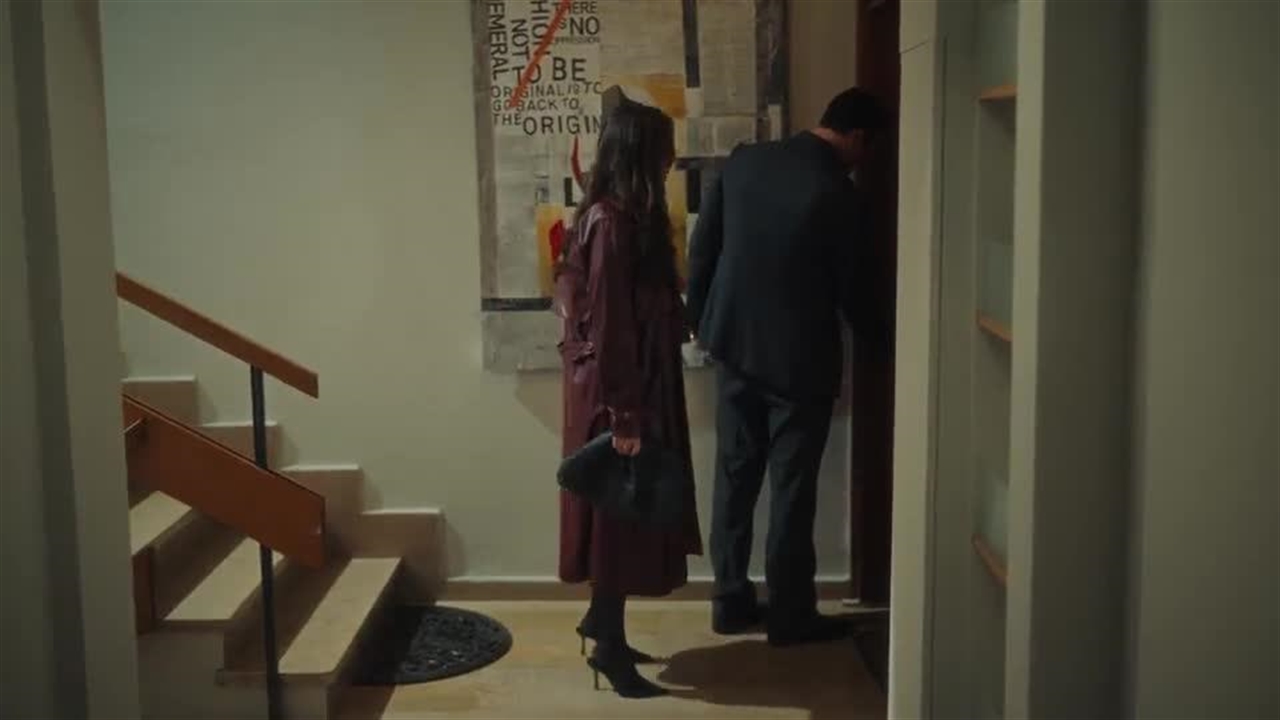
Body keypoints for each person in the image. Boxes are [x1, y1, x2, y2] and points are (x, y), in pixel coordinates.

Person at [686, 87, 890, 647]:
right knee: (791, 491)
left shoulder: (744, 161)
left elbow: (703, 249)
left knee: (733, 479)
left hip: (734, 346)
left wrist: (701, 321)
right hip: (801, 361)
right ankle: (790, 613)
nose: (864, 161)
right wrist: (886, 346)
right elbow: (854, 291)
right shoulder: (839, 194)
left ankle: (729, 601)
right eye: (868, 149)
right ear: (858, 137)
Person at [553, 95, 703, 698]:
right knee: (618, 518)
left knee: (621, 512)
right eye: (664, 148)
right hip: (619, 394)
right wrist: (625, 415)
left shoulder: (620, 219)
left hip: (629, 387)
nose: (671, 159)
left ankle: (601, 622)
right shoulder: (611, 223)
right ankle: (610, 651)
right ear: (641, 153)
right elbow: (612, 324)